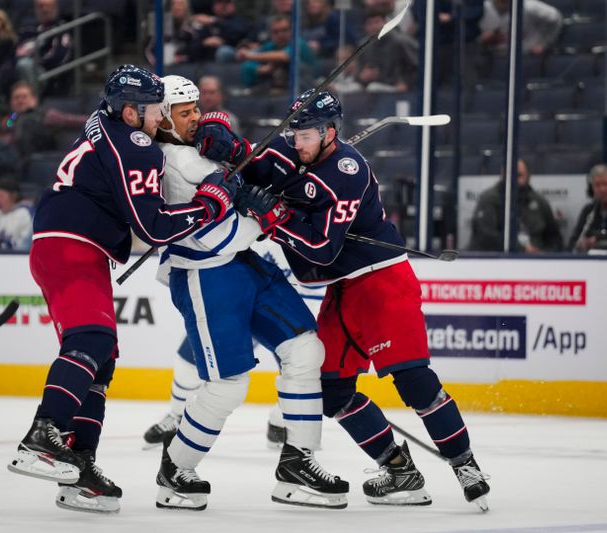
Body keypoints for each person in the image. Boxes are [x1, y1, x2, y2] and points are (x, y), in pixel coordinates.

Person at [195, 89, 491, 510]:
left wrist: (274, 216)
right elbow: (256, 162)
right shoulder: (293, 145)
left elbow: (321, 249)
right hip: (343, 290)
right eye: (295, 132)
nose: (297, 141)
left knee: (414, 381)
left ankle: (466, 465)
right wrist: (224, 142)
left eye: (308, 134)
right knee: (331, 390)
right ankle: (399, 470)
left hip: (382, 283)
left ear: (331, 132)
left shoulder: (347, 172)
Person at [5, 65, 240, 514]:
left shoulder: (107, 122)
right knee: (91, 340)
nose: (159, 119)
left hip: (70, 245)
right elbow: (152, 227)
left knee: (102, 358)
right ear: (131, 111)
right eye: (154, 110)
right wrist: (211, 203)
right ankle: (43, 435)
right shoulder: (135, 143)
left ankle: (77, 466)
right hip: (72, 246)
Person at [148, 74, 347, 511]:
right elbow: (222, 237)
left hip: (245, 268)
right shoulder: (174, 165)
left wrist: (229, 139)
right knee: (228, 385)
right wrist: (273, 213)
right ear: (162, 119)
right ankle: (176, 470)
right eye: (186, 113)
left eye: (198, 109)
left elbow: (245, 170)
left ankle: (298, 462)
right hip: (207, 276)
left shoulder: (191, 148)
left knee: (304, 348)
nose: (197, 118)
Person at [470, 158, 563, 253]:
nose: (514, 179)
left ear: (528, 176)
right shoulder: (489, 199)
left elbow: (555, 239)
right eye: (510, 175)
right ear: (504, 175)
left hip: (537, 262)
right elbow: (486, 238)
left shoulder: (539, 201)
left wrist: (546, 254)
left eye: (519, 175)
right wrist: (522, 250)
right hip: (498, 261)